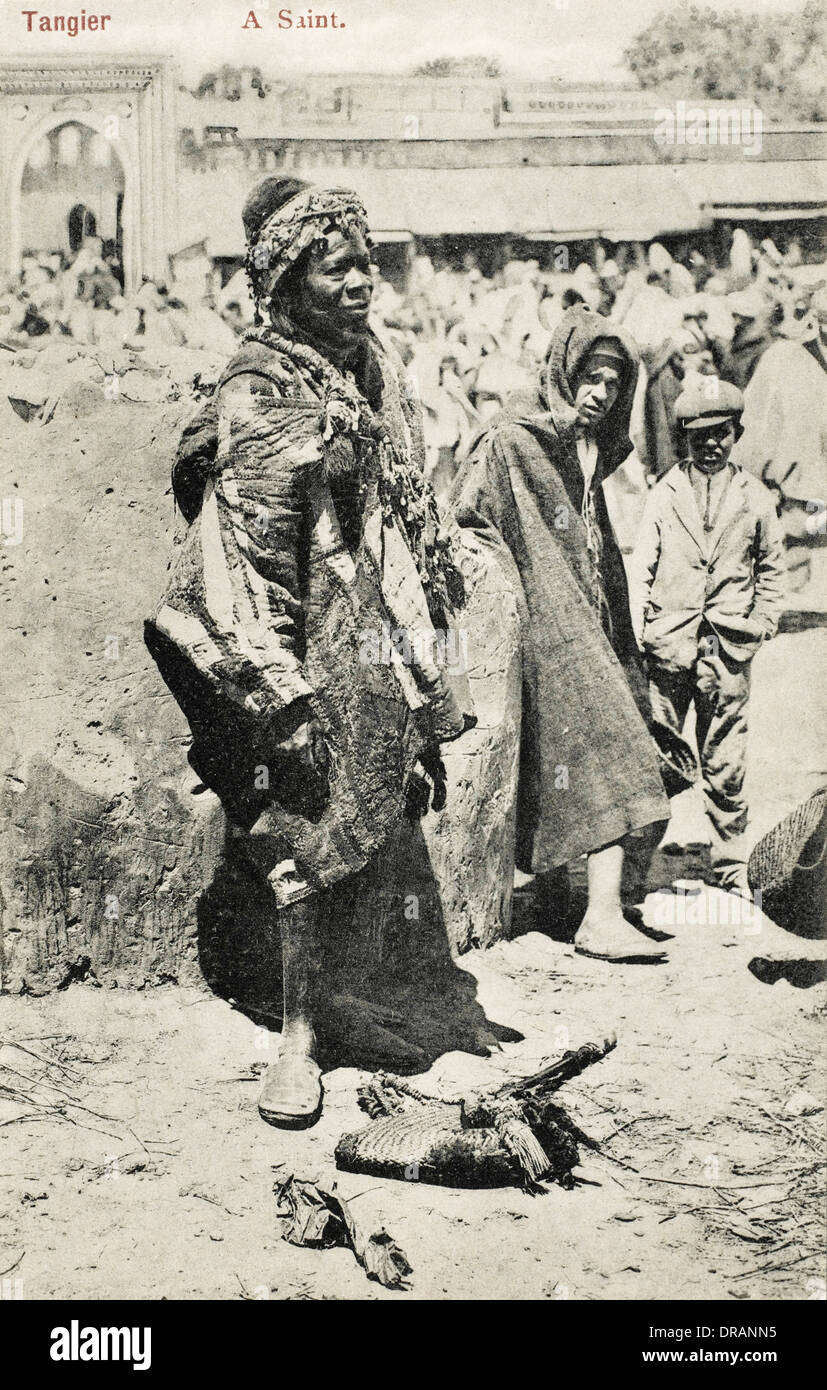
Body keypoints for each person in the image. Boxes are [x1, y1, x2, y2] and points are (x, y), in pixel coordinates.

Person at [146, 176, 473, 1127]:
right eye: (339, 268)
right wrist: (279, 695)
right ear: (288, 281)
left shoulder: (371, 365)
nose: (364, 281)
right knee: (302, 821)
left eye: (368, 263)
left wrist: (418, 658)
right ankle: (294, 1037)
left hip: (374, 626)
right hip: (296, 634)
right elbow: (247, 557)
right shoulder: (261, 390)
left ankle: (338, 1005)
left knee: (385, 806)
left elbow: (403, 506)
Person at [452, 306, 679, 964]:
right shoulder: (514, 435)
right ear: (562, 370)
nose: (599, 393)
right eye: (589, 377)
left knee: (575, 756)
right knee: (608, 748)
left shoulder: (587, 449)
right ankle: (599, 917)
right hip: (532, 622)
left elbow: (594, 548)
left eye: (612, 383)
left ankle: (561, 900)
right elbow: (467, 515)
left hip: (580, 621)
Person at [629, 381, 786, 894]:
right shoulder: (665, 493)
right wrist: (639, 632)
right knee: (657, 760)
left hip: (728, 651)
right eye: (699, 437)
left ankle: (730, 865)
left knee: (726, 763)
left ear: (735, 435)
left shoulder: (757, 498)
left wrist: (761, 623)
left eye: (720, 435)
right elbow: (642, 568)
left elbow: (771, 571)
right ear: (684, 440)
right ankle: (634, 870)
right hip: (669, 646)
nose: (711, 445)